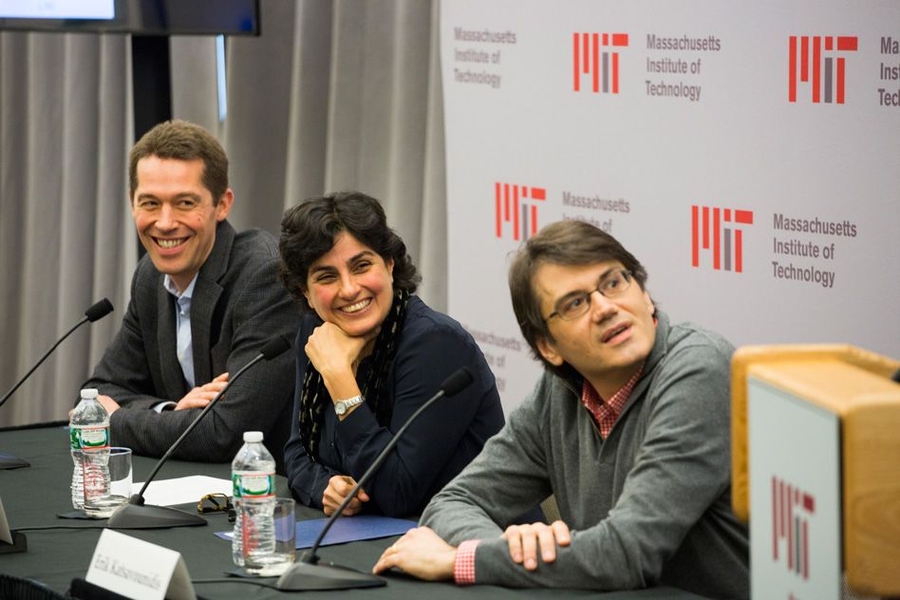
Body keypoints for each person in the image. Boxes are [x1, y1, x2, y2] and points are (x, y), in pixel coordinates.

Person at [373, 219, 750, 599]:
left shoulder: (698, 370)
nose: (604, 308)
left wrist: (464, 560)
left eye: (614, 283)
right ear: (548, 346)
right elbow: (455, 501)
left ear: (645, 294)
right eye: (575, 303)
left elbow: (627, 553)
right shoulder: (559, 392)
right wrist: (516, 551)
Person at [81, 119, 299, 469]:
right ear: (132, 204)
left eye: (184, 203)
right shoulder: (150, 277)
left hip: (274, 494)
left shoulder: (262, 275)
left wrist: (116, 420)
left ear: (222, 204)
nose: (165, 222)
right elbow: (98, 391)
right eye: (150, 203)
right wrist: (169, 410)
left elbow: (226, 434)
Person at [278, 191, 505, 518]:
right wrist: (324, 487)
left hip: (474, 543)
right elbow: (297, 451)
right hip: (370, 540)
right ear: (305, 291)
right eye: (327, 276)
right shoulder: (316, 332)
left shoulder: (436, 344)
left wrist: (341, 381)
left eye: (361, 266)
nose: (349, 289)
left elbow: (397, 492)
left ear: (389, 263)